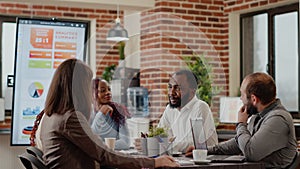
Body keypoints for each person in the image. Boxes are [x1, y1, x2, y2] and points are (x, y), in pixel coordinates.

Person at [39, 58, 179, 169]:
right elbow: (103, 154)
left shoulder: (51, 116)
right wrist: (154, 163)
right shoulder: (70, 118)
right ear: (79, 88)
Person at [186, 72, 298, 168]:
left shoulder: (278, 119)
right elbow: (238, 143)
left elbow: (250, 152)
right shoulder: (258, 116)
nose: (240, 98)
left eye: (242, 94)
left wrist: (241, 123)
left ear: (254, 99)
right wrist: (205, 150)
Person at [157, 69, 218, 153]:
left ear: (192, 91)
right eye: (170, 87)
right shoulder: (169, 109)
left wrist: (168, 145)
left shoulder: (200, 107)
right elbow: (160, 136)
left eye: (177, 88)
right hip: (179, 161)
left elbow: (198, 144)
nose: (171, 92)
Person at [90, 78, 131, 150]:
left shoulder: (118, 111)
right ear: (93, 93)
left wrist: (101, 145)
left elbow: (126, 143)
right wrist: (100, 114)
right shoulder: (88, 113)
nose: (108, 92)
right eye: (103, 90)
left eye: (109, 89)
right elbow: (90, 139)